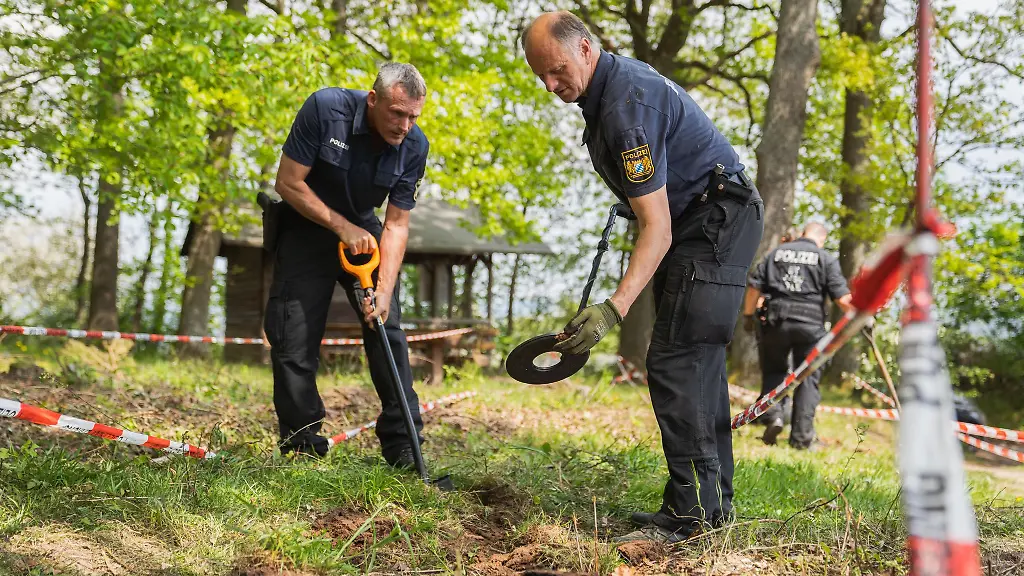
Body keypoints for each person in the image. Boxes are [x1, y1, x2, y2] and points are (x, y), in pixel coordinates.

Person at [522, 12, 764, 543]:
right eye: (540, 75)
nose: (550, 85)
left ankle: (692, 517)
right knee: (693, 360)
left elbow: (657, 224)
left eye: (557, 69)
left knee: (679, 357)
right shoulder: (607, 96)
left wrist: (614, 308)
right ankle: (707, 509)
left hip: (714, 221)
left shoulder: (625, 106)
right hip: (703, 220)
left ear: (586, 48)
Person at [264, 62, 430, 465]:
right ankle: (302, 446)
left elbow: (396, 224)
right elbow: (287, 182)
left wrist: (384, 291)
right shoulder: (325, 109)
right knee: (293, 339)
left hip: (366, 235)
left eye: (413, 116)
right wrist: (341, 227)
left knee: (387, 330)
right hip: (305, 227)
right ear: (373, 100)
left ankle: (404, 446)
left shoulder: (414, 146)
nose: (405, 125)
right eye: (397, 113)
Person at [742, 222, 854, 449]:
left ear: (802, 233)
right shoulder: (825, 258)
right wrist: (864, 315)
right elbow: (842, 299)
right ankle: (802, 439)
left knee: (774, 371)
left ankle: (773, 416)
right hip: (810, 328)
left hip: (775, 323)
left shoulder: (776, 253)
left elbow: (754, 286)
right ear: (821, 239)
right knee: (807, 380)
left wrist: (747, 315)